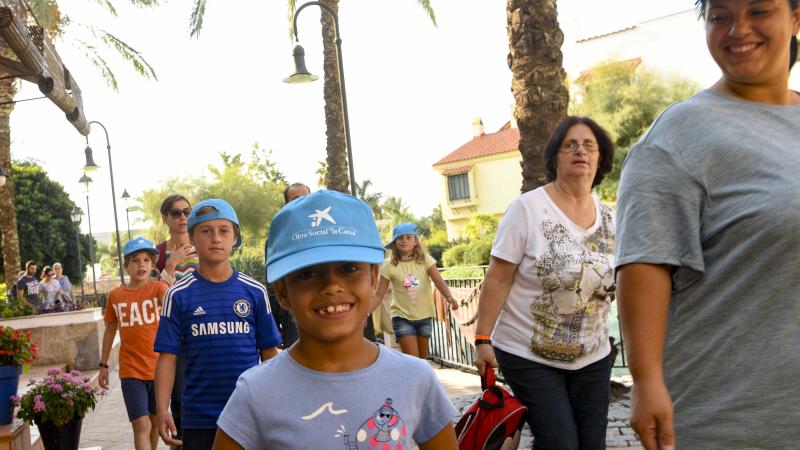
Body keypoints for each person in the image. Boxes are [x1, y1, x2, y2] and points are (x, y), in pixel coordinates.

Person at [615, 1, 800, 449]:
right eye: (720, 16)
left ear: (796, 17)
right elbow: (644, 262)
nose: (739, 29)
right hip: (734, 418)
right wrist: (646, 380)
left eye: (758, 10)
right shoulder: (678, 136)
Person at [214, 189, 458, 449]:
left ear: (374, 278)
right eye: (308, 274)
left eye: (349, 269)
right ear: (283, 292)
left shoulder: (415, 377)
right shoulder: (256, 391)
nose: (332, 286)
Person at [474, 116, 616, 450]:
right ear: (554, 158)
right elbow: (497, 278)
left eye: (589, 145)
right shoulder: (527, 209)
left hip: (592, 355)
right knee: (561, 444)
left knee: (591, 445)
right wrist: (482, 338)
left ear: (600, 158)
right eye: (570, 145)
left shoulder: (612, 217)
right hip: (528, 352)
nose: (580, 150)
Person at [154, 198, 281, 450]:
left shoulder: (254, 291)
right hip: (199, 418)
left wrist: (276, 405)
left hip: (249, 413)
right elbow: (167, 357)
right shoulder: (177, 295)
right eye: (206, 231)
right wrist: (161, 408)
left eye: (224, 231)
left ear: (234, 238)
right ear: (191, 237)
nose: (216, 238)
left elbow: (269, 354)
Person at [99, 237, 169, 450]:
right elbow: (111, 329)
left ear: (152, 264)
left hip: (158, 369)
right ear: (126, 265)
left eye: (147, 260)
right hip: (131, 370)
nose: (142, 265)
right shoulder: (115, 296)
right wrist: (103, 365)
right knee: (141, 423)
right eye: (136, 260)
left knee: (156, 423)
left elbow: (175, 307)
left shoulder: (158, 289)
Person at [374, 222, 458, 359]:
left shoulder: (425, 260)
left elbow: (438, 281)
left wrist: (449, 297)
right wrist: (364, 312)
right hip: (401, 317)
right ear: (395, 243)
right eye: (400, 238)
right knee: (413, 361)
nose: (404, 240)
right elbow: (379, 294)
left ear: (415, 242)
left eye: (408, 237)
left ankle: (419, 381)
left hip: (424, 316)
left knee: (422, 361)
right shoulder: (388, 265)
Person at [154, 194, 199, 447]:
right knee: (180, 398)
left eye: (186, 211)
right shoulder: (158, 253)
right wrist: (170, 266)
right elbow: (155, 297)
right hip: (176, 335)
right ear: (165, 218)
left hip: (205, 330)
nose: (182, 217)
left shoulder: (202, 245)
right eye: (176, 212)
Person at [264, 182, 311, 348]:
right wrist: (275, 325)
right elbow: (272, 282)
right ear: (286, 204)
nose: (302, 202)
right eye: (296, 198)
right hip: (291, 316)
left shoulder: (326, 232)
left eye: (306, 197)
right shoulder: (276, 238)